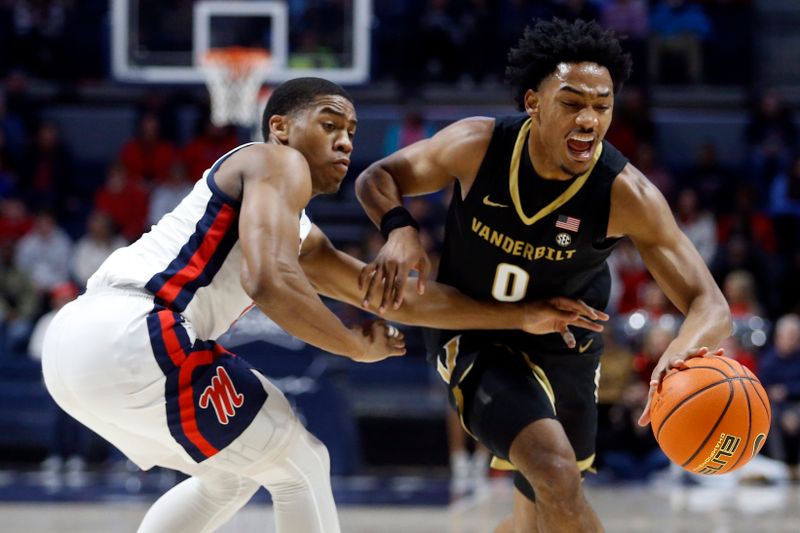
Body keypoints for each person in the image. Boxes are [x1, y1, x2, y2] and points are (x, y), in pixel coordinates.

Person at [41, 77, 606, 533]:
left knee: (230, 477)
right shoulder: (273, 161)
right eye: (330, 125)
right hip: (137, 332)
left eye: (352, 132)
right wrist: (353, 345)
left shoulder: (296, 229)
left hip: (74, 354)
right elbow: (268, 281)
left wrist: (519, 316)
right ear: (281, 128)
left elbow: (395, 301)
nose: (345, 143)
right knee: (302, 464)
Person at [355, 19, 731, 533]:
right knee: (555, 471)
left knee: (538, 514)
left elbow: (711, 306)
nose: (589, 119)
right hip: (476, 332)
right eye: (572, 103)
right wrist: (400, 231)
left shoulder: (626, 194)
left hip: (566, 345)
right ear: (534, 102)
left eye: (602, 105)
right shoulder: (478, 144)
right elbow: (378, 176)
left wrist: (680, 350)